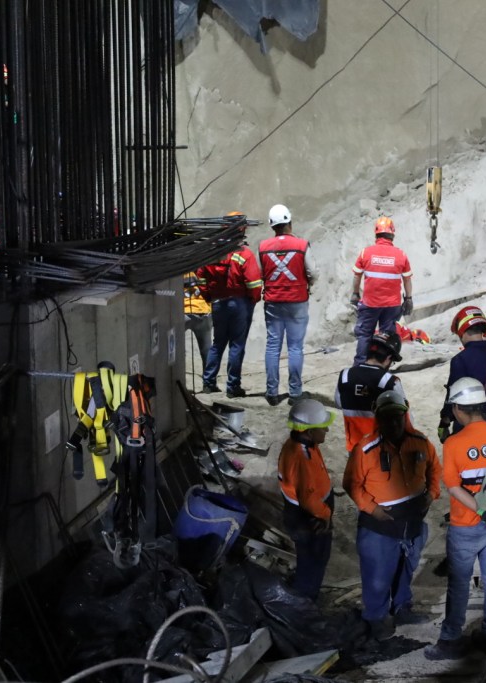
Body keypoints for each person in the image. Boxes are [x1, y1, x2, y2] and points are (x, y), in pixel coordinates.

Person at [424, 378, 486, 661]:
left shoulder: (455, 443)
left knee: (459, 583)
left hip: (465, 525)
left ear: (458, 409)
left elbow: (454, 487)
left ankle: (450, 640)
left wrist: (479, 509)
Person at [344, 391, 440, 640]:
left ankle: (402, 607)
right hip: (380, 525)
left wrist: (431, 494)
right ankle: (376, 617)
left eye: (398, 417)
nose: (394, 423)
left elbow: (434, 470)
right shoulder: (365, 449)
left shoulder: (420, 442)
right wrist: (372, 509)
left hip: (413, 521)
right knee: (378, 575)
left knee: (406, 568)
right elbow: (352, 484)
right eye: (388, 418)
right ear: (378, 418)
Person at [277, 399, 336, 601]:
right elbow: (309, 499)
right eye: (322, 427)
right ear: (309, 431)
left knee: (309, 560)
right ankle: (304, 604)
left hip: (304, 515)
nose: (327, 430)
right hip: (310, 518)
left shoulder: (302, 444)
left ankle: (305, 597)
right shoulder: (302, 456)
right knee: (314, 561)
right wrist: (325, 514)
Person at [196, 218, 263, 397]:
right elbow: (254, 283)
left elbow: (200, 276)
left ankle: (208, 383)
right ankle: (233, 387)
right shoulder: (244, 254)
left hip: (218, 303)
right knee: (237, 345)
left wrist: (208, 296)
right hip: (239, 303)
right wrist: (253, 300)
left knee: (217, 344)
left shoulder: (211, 253)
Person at [260, 204, 317, 406]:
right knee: (295, 348)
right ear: (290, 223)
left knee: (273, 346)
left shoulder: (263, 247)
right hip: (297, 302)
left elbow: (261, 274)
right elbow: (313, 272)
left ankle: (272, 393)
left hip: (273, 302)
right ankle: (295, 393)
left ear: (272, 226)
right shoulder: (301, 245)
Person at [438, 307, 486, 442]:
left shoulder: (460, 360)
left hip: (466, 424)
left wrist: (444, 421)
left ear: (462, 331)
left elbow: (453, 397)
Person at [350, 217, 414, 365]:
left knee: (365, 335)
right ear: (392, 235)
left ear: (376, 234)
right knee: (387, 337)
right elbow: (407, 280)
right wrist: (409, 298)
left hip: (370, 304)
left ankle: (360, 365)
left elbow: (357, 276)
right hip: (392, 306)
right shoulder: (401, 255)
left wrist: (355, 294)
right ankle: (382, 367)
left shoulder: (365, 253)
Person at [335, 331, 406, 456]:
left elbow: (339, 402)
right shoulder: (390, 381)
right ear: (388, 358)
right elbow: (404, 417)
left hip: (354, 449)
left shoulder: (345, 375)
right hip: (381, 450)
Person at [183, 271, 212, 375]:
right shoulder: (205, 268)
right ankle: (209, 382)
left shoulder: (178, 269)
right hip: (203, 312)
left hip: (183, 313)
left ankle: (175, 378)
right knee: (207, 350)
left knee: (175, 350)